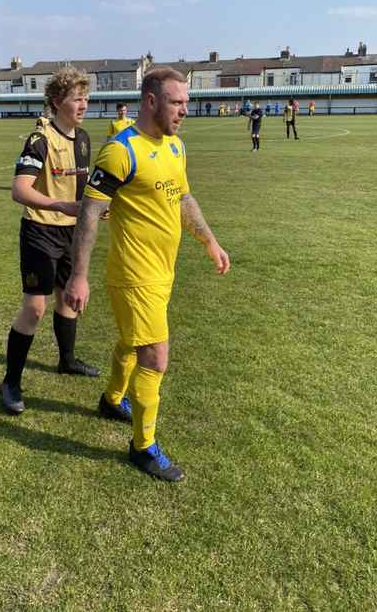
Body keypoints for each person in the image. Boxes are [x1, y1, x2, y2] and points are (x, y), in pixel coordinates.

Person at [64, 67, 230, 482]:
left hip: (163, 271)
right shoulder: (121, 151)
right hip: (134, 275)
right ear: (151, 101)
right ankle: (142, 448)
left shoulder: (175, 147)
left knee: (130, 341)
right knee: (155, 357)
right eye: (177, 102)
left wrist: (208, 240)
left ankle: (111, 399)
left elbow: (183, 197)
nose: (184, 111)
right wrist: (77, 276)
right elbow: (89, 213)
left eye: (186, 103)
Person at [0, 67, 100, 416]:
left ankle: (67, 360)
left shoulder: (84, 139)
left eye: (86, 97)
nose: (83, 104)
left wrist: (93, 209)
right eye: (77, 98)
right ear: (57, 101)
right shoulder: (39, 140)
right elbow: (19, 190)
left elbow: (83, 190)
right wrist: (61, 205)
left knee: (69, 299)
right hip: (40, 231)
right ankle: (11, 381)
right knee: (35, 307)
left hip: (72, 233)